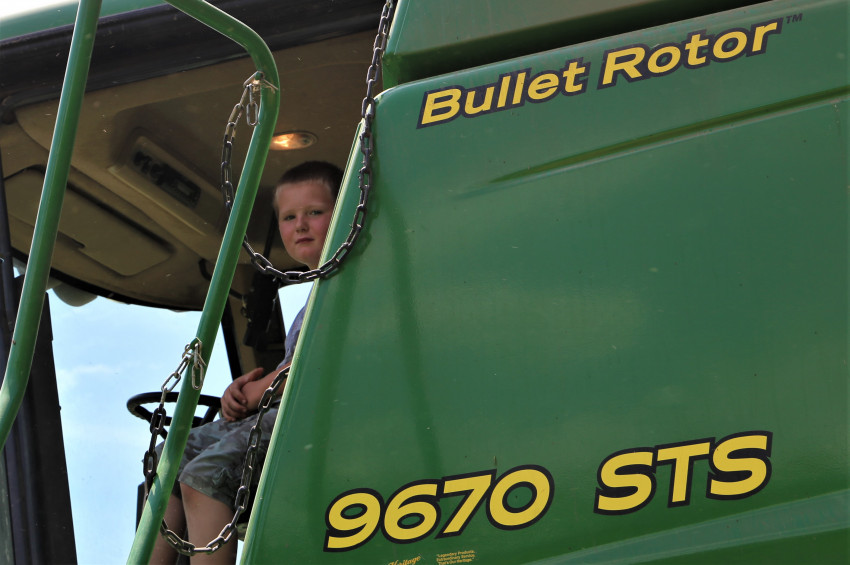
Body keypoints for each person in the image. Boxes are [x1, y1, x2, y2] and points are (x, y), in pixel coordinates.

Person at [151, 161, 343, 564]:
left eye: (315, 212)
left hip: (325, 415)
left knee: (204, 478)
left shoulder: (352, 284)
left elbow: (325, 363)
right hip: (290, 408)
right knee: (172, 456)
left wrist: (263, 388)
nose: (301, 225)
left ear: (345, 211)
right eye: (289, 217)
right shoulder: (316, 296)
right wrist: (244, 391)